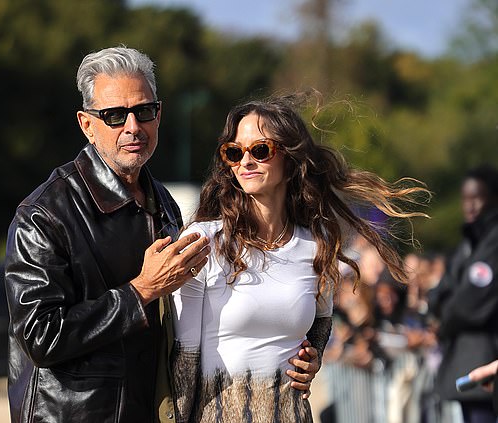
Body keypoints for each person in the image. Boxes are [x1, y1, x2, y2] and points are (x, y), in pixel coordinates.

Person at [4, 47, 319, 423]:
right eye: (115, 116)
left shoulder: (163, 203)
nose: (133, 126)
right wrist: (141, 291)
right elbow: (41, 337)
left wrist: (295, 355)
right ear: (86, 124)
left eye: (144, 111)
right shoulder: (45, 214)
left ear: (159, 115)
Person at [170, 93, 430, 422]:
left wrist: (314, 356)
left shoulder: (316, 245)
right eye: (234, 153)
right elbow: (184, 357)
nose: (246, 162)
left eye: (260, 150)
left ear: (290, 159)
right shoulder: (204, 241)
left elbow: (322, 320)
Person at [429, 165, 498, 423]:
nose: (469, 206)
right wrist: (443, 306)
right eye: (465, 199)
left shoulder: (493, 239)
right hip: (467, 366)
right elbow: (439, 294)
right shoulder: (469, 243)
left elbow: (469, 303)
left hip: (484, 362)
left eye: (476, 198)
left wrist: (445, 321)